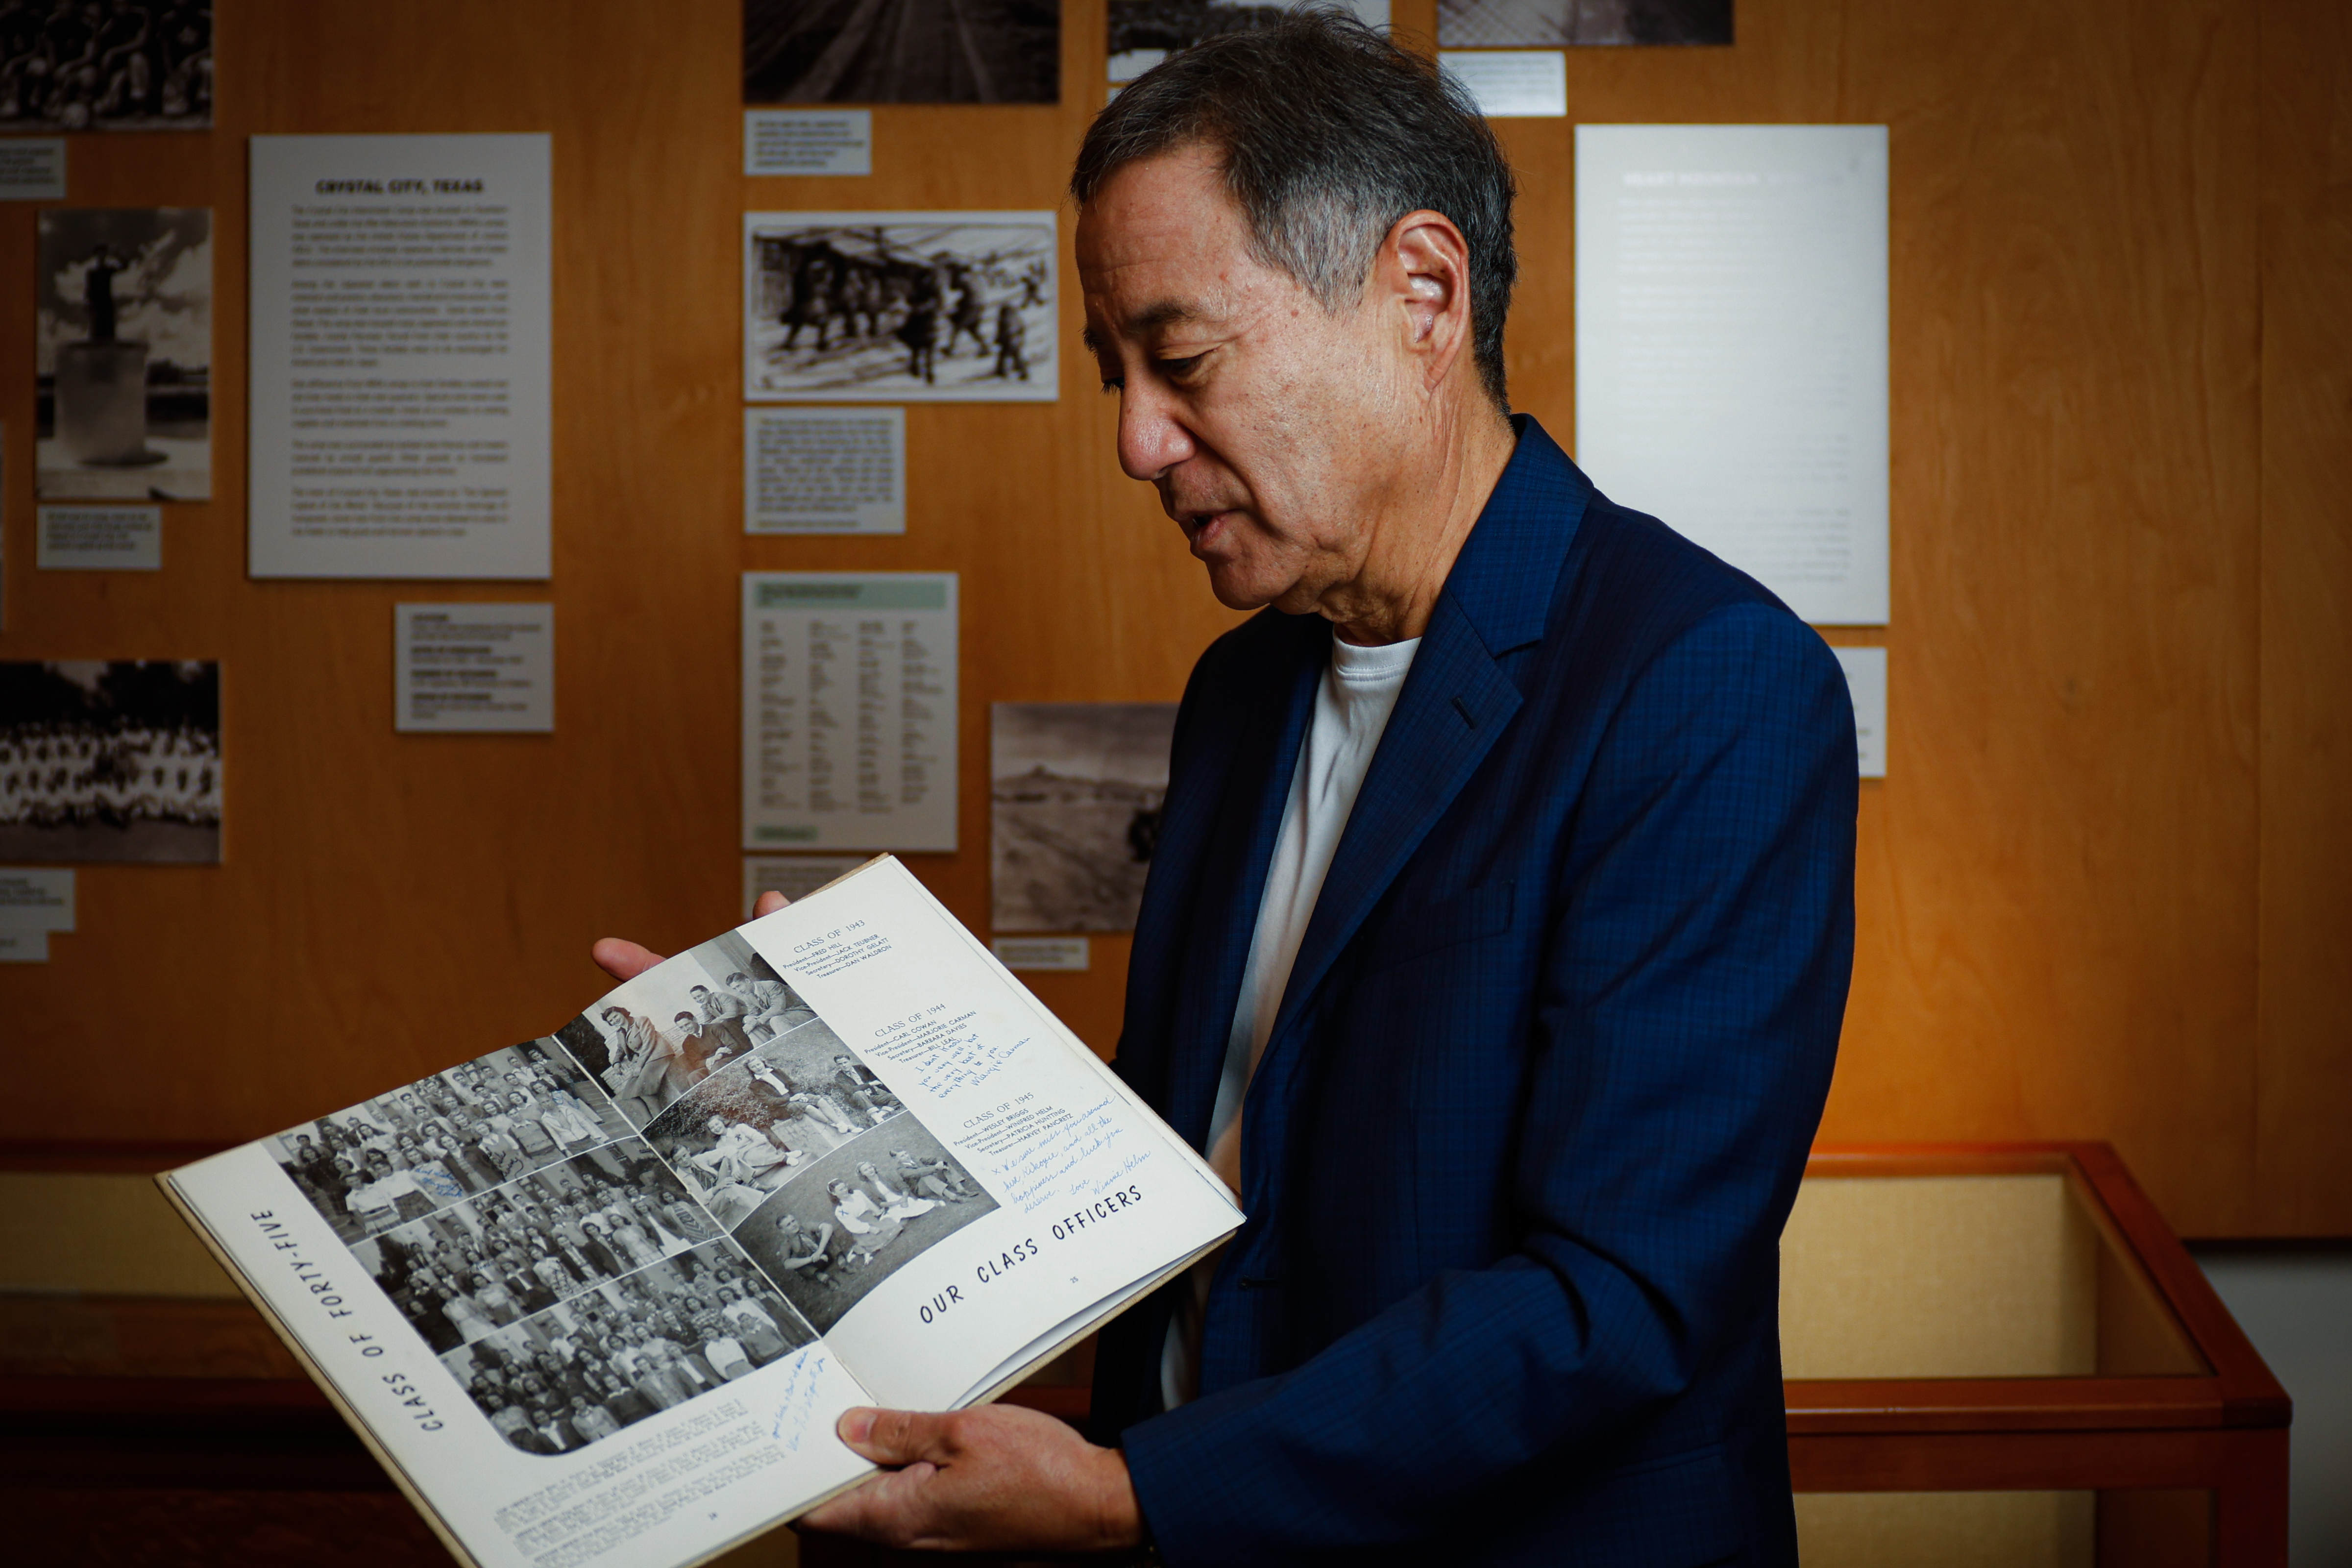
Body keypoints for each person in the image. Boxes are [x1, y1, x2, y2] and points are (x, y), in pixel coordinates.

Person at [595, 17, 1853, 1562]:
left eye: (1181, 361)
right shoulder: (1241, 692)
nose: (1135, 441)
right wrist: (816, 1112)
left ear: (1424, 295)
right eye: (1113, 373)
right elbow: (1176, 1186)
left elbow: (1622, 1299)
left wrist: (1136, 1501)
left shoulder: (1709, 684)